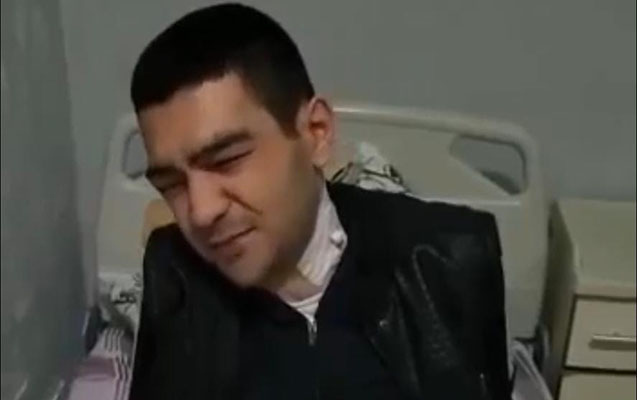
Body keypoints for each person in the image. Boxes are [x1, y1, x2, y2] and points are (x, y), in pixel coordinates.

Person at [129, 3, 510, 399]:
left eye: (227, 160)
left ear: (317, 132)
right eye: (172, 184)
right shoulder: (175, 276)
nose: (202, 212)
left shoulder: (447, 259)